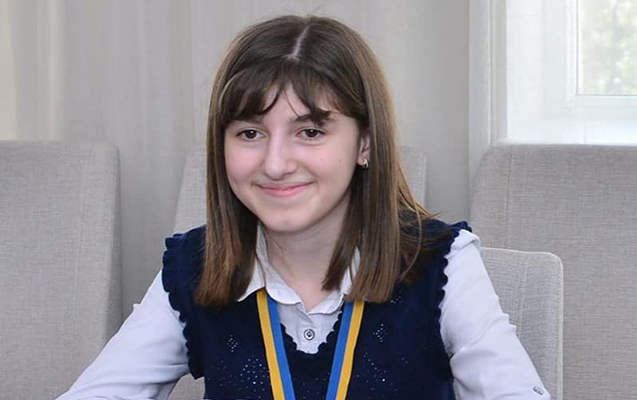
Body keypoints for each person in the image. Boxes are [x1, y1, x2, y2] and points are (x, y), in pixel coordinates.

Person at [57, 15, 550, 400]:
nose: (275, 164)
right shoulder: (194, 267)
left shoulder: (443, 261)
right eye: (250, 133)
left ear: (365, 143)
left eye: (310, 131)